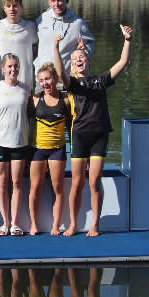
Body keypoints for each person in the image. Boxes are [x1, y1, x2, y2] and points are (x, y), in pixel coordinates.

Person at [54, 24, 133, 237]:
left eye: (82, 56)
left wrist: (127, 40)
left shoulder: (100, 80)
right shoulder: (72, 84)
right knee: (77, 183)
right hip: (80, 135)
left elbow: (123, 62)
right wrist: (56, 47)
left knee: (94, 181)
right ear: (73, 64)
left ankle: (95, 224)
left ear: (88, 60)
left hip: (99, 135)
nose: (79, 60)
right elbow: (60, 73)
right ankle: (73, 224)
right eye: (75, 58)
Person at [0, 53, 31, 236]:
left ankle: (14, 223)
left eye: (16, 66)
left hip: (20, 141)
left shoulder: (25, 89)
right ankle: (4, 223)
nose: (13, 69)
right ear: (3, 69)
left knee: (16, 181)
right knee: (1, 181)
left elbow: (29, 113)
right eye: (9, 66)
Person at [28, 62, 70, 236]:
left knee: (57, 188)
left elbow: (71, 125)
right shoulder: (35, 99)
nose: (45, 83)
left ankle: (56, 225)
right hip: (37, 149)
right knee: (35, 188)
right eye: (41, 80)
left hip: (57, 149)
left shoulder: (65, 99)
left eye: (47, 79)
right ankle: (34, 224)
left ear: (55, 79)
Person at [34, 0, 95, 86]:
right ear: (49, 2)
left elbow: (90, 43)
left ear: (66, 0)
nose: (56, 4)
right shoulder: (42, 19)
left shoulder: (78, 23)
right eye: (53, 1)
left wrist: (83, 51)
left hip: (65, 80)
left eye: (59, 0)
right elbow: (33, 42)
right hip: (42, 80)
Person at [0, 0, 38, 90]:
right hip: (2, 82)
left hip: (25, 83)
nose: (12, 9)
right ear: (4, 8)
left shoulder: (31, 27)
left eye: (15, 6)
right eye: (8, 6)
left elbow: (36, 49)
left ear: (21, 7)